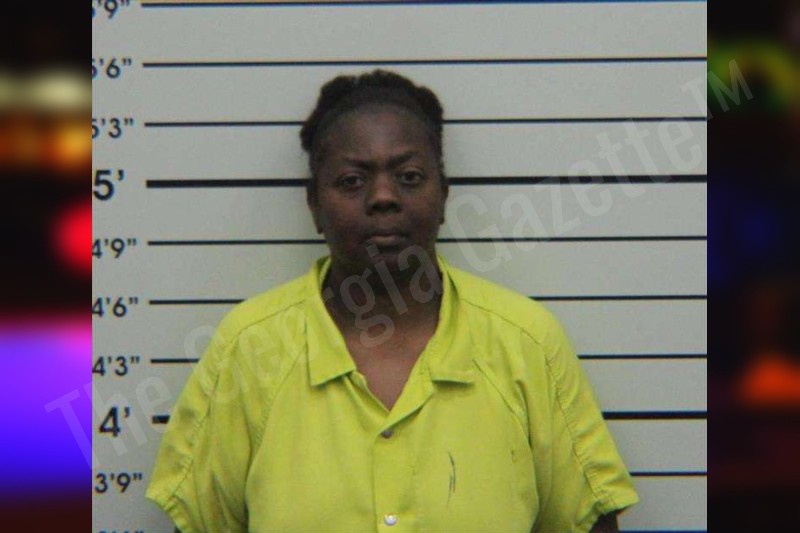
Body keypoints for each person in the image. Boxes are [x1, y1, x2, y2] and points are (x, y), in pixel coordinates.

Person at [146, 70, 639, 532]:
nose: (383, 197)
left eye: (409, 176)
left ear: (444, 196)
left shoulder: (527, 344)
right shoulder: (248, 350)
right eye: (352, 180)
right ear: (313, 204)